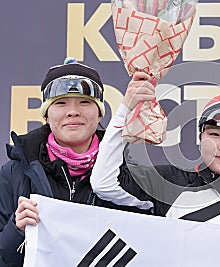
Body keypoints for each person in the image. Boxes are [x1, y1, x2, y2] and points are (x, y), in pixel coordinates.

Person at [0, 59, 149, 266]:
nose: (73, 111)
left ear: (99, 114)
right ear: (46, 115)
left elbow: (149, 249)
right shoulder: (14, 173)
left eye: (85, 102)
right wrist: (17, 231)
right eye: (61, 103)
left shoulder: (126, 174)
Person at [91, 72, 220, 225]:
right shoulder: (168, 185)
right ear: (200, 139)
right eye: (215, 135)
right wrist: (126, 109)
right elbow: (105, 183)